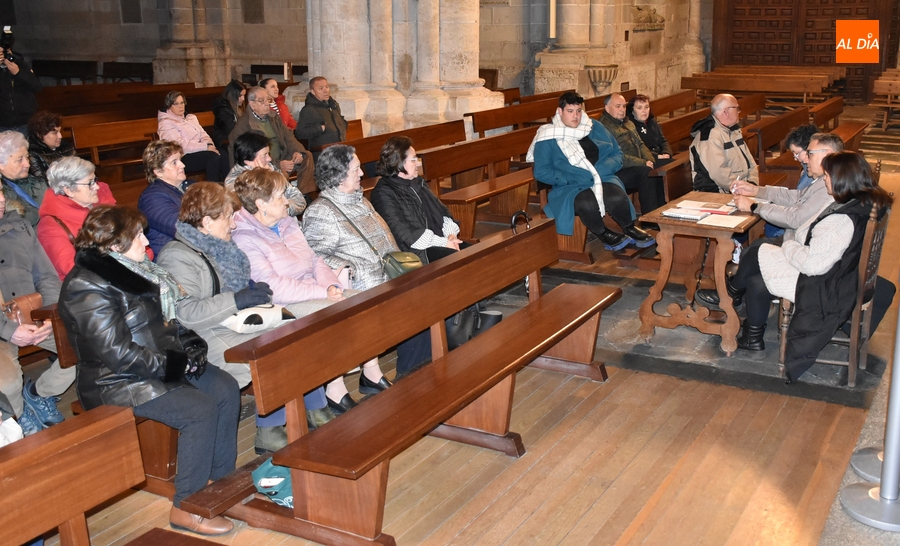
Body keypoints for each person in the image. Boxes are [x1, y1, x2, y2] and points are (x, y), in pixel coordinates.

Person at [58, 205, 239, 536]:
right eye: (138, 235)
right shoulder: (85, 287)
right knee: (199, 410)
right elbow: (117, 354)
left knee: (224, 387)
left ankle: (217, 483)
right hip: (116, 382)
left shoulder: (137, 270)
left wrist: (191, 343)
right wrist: (176, 365)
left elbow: (166, 323)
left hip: (157, 365)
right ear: (115, 245)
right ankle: (187, 507)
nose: (146, 241)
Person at [695, 152, 892, 384]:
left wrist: (789, 244)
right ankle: (750, 333)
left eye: (828, 176)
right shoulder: (861, 202)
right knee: (758, 272)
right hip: (841, 274)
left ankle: (731, 297)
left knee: (759, 251)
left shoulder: (840, 220)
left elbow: (812, 264)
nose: (825, 180)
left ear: (841, 179)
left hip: (825, 287)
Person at [156, 182, 316, 454]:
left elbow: (227, 287)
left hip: (228, 322)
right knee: (269, 354)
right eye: (228, 216)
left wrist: (250, 291)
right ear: (206, 222)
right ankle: (269, 431)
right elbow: (187, 313)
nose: (233, 224)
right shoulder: (178, 257)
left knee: (294, 335)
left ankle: (303, 414)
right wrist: (237, 299)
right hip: (198, 337)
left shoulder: (219, 248)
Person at [231, 168, 391, 420]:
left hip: (316, 291)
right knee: (333, 313)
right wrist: (323, 292)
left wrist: (332, 286)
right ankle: (335, 389)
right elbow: (273, 286)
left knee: (363, 301)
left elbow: (315, 260)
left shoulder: (287, 223)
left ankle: (370, 373)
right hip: (283, 303)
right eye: (280, 196)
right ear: (261, 204)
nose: (287, 200)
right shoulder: (244, 238)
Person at [303, 144, 431, 377]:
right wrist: (355, 268)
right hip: (363, 284)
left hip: (388, 275)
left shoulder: (359, 200)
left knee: (427, 298)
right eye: (356, 170)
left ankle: (420, 373)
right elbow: (315, 255)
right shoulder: (321, 211)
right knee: (415, 307)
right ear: (338, 176)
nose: (362, 174)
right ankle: (412, 378)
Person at [696, 133, 844, 312]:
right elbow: (796, 197)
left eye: (810, 153)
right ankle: (734, 295)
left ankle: (731, 294)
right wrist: (757, 191)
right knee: (755, 250)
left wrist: (755, 206)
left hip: (805, 251)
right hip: (804, 244)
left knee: (756, 251)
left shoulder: (828, 185)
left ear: (827, 153)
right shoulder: (825, 179)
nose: (805, 158)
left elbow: (795, 218)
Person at [526, 92, 654, 251]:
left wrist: (600, 170)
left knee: (616, 196)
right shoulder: (547, 136)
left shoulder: (593, 126)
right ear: (560, 111)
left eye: (578, 111)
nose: (575, 116)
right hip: (570, 186)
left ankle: (629, 227)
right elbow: (541, 171)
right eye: (570, 111)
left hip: (601, 176)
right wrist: (568, 178)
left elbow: (617, 153)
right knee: (587, 202)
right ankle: (603, 233)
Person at [0, 189, 72, 437]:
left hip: (34, 315)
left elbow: (47, 276)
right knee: (7, 383)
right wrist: (9, 330)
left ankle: (39, 394)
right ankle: (17, 420)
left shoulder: (20, 227)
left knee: (85, 347)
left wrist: (49, 315)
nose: (1, 199)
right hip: (2, 329)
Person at [370, 136, 470, 261]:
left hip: (438, 241)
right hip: (415, 253)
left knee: (477, 253)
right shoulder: (383, 193)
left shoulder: (418, 182)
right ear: (398, 163)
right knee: (460, 261)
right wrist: (444, 243)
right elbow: (405, 234)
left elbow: (442, 212)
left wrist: (450, 235)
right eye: (413, 160)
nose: (418, 163)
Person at [37, 156, 116, 279]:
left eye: (95, 180)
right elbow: (73, 268)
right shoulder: (50, 226)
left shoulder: (104, 205)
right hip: (91, 288)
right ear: (69, 190)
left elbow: (137, 243)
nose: (97, 187)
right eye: (90, 183)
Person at [229, 86, 315, 195]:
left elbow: (288, 136)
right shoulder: (244, 125)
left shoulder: (273, 117)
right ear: (252, 104)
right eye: (261, 101)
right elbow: (248, 155)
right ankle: (283, 201)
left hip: (283, 155)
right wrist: (278, 164)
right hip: (263, 163)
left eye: (268, 100)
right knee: (280, 174)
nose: (266, 103)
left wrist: (297, 151)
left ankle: (304, 195)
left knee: (306, 156)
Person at [599, 92, 667, 215]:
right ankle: (649, 218)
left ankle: (661, 211)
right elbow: (616, 156)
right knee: (645, 173)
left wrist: (649, 160)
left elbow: (640, 144)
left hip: (635, 164)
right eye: (618, 106)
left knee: (660, 167)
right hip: (618, 170)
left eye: (624, 106)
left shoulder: (627, 122)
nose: (622, 110)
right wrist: (643, 162)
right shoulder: (603, 127)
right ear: (607, 108)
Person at [224, 131, 306, 216]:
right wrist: (264, 178)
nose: (269, 159)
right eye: (264, 155)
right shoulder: (234, 181)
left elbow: (300, 201)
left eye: (268, 153)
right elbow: (253, 212)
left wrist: (280, 210)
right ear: (248, 161)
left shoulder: (270, 168)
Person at [690, 93, 759, 192]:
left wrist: (753, 183)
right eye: (737, 108)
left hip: (739, 188)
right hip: (717, 193)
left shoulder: (733, 131)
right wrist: (741, 188)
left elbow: (751, 163)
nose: (739, 112)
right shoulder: (709, 135)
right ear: (726, 112)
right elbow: (719, 174)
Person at [157, 91, 228, 182]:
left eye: (182, 103)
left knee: (223, 153)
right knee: (212, 157)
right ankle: (212, 191)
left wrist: (210, 145)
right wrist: (205, 147)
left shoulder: (191, 117)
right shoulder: (166, 122)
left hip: (202, 150)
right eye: (176, 104)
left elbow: (203, 134)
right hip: (183, 156)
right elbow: (178, 145)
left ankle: (229, 187)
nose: (180, 106)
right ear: (169, 106)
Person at [138, 140, 193, 257]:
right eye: (174, 162)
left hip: (189, 251)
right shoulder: (152, 198)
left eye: (180, 160)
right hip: (173, 257)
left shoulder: (188, 186)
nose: (182, 165)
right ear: (158, 171)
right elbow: (183, 228)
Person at [0, 130, 48, 226]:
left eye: (27, 157)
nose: (27, 164)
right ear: (1, 165)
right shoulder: (3, 195)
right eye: (19, 160)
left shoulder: (39, 182)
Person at [295, 76, 348, 154]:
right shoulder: (308, 109)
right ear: (313, 91)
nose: (325, 91)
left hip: (339, 149)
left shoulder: (333, 105)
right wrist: (320, 128)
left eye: (327, 87)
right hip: (322, 153)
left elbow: (340, 122)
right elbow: (300, 133)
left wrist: (343, 124)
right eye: (321, 88)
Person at [0, 44, 41, 134]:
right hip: (3, 124)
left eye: (5, 52)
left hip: (25, 122)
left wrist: (18, 72)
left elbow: (36, 86)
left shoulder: (20, 63)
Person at [27, 111, 74, 183]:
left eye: (60, 131)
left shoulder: (67, 147)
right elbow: (42, 181)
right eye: (54, 133)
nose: (60, 136)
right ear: (39, 134)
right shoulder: (32, 153)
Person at [626, 94, 673, 164]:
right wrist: (657, 156)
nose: (644, 111)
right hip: (646, 160)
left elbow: (662, 140)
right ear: (632, 110)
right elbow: (637, 150)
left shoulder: (652, 121)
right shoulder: (629, 126)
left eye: (646, 107)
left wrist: (667, 153)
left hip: (661, 156)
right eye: (639, 108)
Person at [211, 79, 247, 153]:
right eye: (240, 95)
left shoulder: (237, 107)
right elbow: (231, 130)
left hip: (236, 140)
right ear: (233, 95)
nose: (243, 99)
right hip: (225, 144)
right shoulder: (222, 110)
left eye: (244, 95)